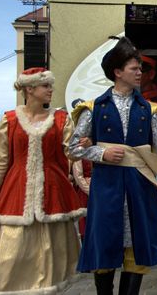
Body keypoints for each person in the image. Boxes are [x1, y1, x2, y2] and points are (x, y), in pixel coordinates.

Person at [69, 36, 157, 294]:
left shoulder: (150, 110)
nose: (140, 72)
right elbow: (73, 148)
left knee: (137, 247)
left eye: (140, 68)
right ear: (117, 72)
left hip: (140, 188)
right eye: (134, 68)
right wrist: (100, 154)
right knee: (105, 245)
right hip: (107, 189)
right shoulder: (93, 108)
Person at [0, 67, 85, 293]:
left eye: (50, 85)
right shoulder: (10, 120)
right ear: (29, 89)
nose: (51, 90)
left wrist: (83, 146)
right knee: (13, 253)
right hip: (15, 192)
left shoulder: (61, 119)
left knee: (50, 253)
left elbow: (72, 153)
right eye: (46, 86)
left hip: (53, 191)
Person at [70, 98, 92, 242]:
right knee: (86, 223)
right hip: (86, 191)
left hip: (100, 187)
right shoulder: (76, 145)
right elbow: (78, 174)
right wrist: (89, 190)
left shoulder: (95, 141)